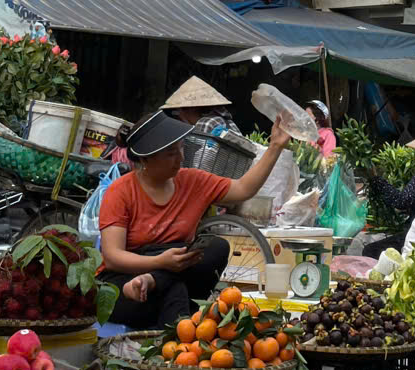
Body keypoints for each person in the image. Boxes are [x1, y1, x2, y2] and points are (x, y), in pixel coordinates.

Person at [99, 110, 291, 329]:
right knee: (176, 288)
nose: (180, 157)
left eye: (181, 148)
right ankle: (180, 341)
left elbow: (243, 188)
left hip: (166, 279)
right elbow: (113, 257)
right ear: (145, 158)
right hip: (124, 286)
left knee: (215, 247)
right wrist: (159, 262)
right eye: (171, 153)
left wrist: (275, 146)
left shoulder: (193, 181)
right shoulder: (121, 192)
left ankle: (156, 286)